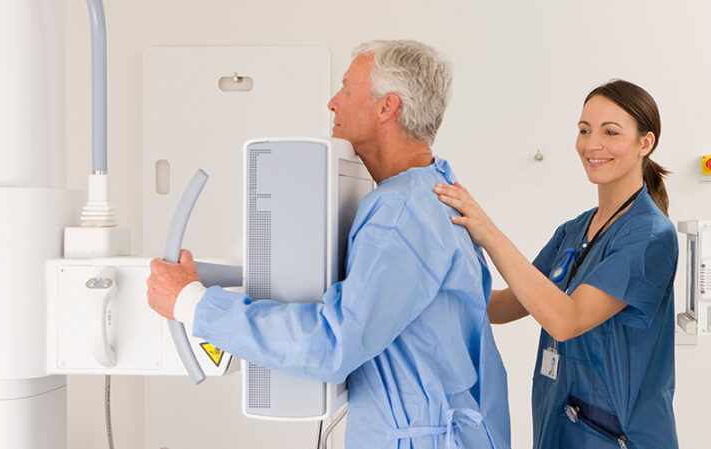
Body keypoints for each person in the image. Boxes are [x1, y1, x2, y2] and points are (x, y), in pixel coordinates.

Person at [146, 40, 511, 449]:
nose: (332, 102)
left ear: (386, 107)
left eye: (347, 88)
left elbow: (333, 344)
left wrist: (190, 304)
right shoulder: (435, 186)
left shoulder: (400, 213)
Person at [434, 80, 678, 449]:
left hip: (618, 439)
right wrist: (429, 283)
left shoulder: (651, 236)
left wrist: (489, 232)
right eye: (584, 130)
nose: (592, 144)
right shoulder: (576, 230)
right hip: (559, 429)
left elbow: (565, 320)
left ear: (646, 143)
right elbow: (503, 306)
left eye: (610, 132)